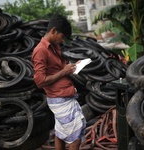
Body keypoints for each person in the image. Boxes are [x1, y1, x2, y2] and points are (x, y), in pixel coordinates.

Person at [32, 14, 86, 150]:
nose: (62, 41)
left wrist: (72, 67)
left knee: (60, 133)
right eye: (62, 37)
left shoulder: (54, 46)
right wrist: (64, 72)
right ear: (54, 31)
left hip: (63, 95)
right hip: (59, 98)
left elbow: (57, 69)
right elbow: (40, 81)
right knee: (75, 136)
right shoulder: (40, 50)